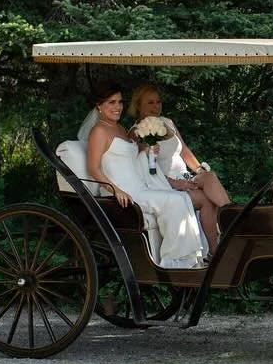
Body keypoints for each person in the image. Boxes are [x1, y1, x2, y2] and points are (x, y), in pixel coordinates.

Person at [80, 81, 206, 269]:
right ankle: (174, 261)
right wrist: (114, 189)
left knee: (180, 199)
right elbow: (93, 168)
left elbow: (130, 157)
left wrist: (146, 149)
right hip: (121, 191)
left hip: (138, 186)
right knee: (176, 201)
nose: (117, 107)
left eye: (120, 102)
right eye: (111, 102)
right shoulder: (99, 131)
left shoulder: (121, 129)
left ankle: (187, 258)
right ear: (99, 106)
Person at [127, 83, 231, 246]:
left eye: (158, 101)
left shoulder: (167, 122)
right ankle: (215, 248)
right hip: (163, 184)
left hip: (184, 176)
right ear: (138, 106)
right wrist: (176, 184)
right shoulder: (136, 132)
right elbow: (143, 170)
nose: (156, 107)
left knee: (209, 176)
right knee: (206, 198)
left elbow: (183, 150)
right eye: (150, 102)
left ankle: (233, 218)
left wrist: (198, 169)